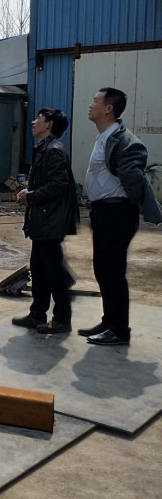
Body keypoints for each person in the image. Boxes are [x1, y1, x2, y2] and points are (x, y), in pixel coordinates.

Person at [81, 87, 162, 346]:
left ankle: (119, 330)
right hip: (104, 212)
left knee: (113, 272)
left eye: (95, 100)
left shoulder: (123, 139)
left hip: (116, 213)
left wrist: (135, 202)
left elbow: (133, 175)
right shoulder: (105, 137)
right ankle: (109, 321)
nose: (90, 104)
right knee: (104, 270)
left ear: (108, 108)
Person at [12, 108, 79, 334]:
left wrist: (31, 196)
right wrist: (28, 192)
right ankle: (37, 314)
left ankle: (62, 319)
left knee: (54, 272)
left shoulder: (54, 150)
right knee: (39, 269)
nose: (33, 122)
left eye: (38, 119)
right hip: (42, 220)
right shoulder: (44, 148)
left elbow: (59, 184)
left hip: (50, 221)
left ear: (49, 124)